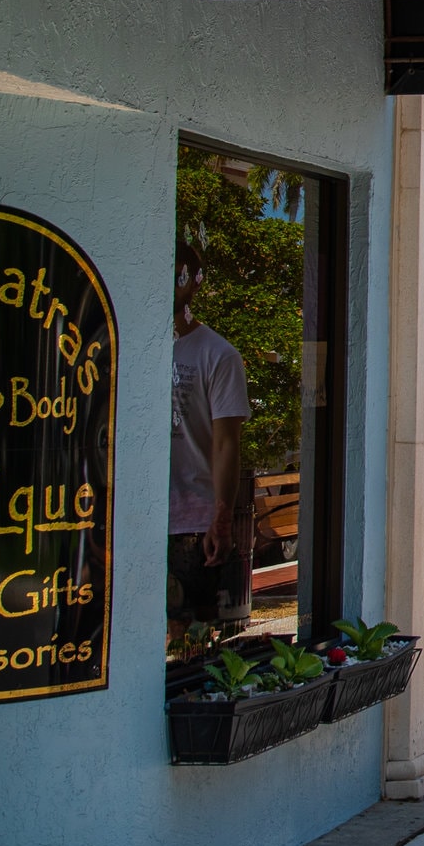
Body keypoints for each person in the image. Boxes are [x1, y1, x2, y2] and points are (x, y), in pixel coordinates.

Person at [168, 241, 251, 651]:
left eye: (180, 275)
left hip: (191, 522)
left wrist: (220, 517)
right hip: (134, 518)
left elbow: (226, 443)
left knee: (188, 641)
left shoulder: (218, 355)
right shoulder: (127, 346)